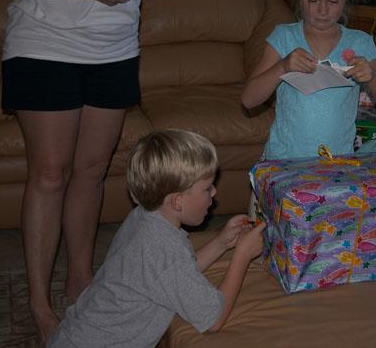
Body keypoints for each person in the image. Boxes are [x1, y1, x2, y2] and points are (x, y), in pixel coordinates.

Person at [0, 0, 179, 342]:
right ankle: (39, 303)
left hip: (114, 49)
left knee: (93, 169)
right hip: (45, 46)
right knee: (49, 174)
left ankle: (81, 279)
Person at [47, 129, 266, 347]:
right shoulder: (163, 247)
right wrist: (242, 255)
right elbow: (213, 319)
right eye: (207, 188)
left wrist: (220, 243)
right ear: (178, 201)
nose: (215, 192)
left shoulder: (144, 218)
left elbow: (176, 272)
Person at [241, 0, 376, 159]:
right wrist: (282, 66)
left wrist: (372, 78)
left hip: (335, 165)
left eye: (333, 1)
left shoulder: (360, 43)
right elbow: (248, 100)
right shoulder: (284, 38)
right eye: (313, 1)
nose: (323, 11)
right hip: (283, 161)